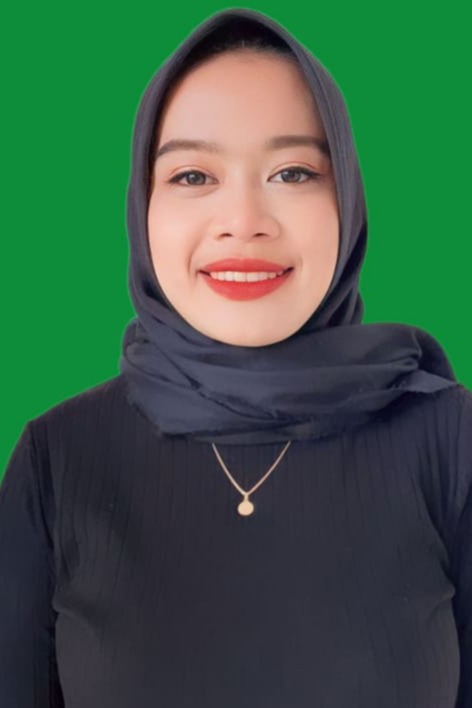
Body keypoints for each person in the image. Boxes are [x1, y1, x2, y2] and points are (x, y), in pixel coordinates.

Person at [1, 7, 471, 708]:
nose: (244, 221)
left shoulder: (451, 441)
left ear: (347, 199)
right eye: (193, 176)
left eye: (293, 172)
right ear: (141, 206)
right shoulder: (57, 460)